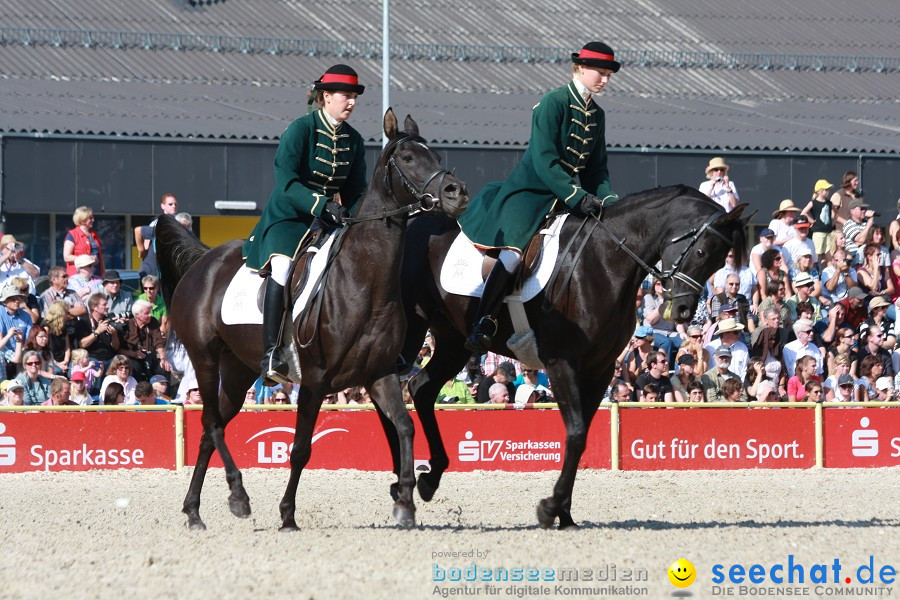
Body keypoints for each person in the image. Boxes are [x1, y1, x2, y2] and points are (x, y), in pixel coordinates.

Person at [458, 42, 621, 354]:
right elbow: (545, 160)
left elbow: (596, 170)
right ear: (581, 68)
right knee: (514, 254)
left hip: (565, 196)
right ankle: (485, 321)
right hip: (529, 191)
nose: (605, 79)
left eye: (608, 75)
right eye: (601, 73)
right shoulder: (554, 102)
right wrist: (577, 196)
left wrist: (611, 203)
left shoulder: (596, 115)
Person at [242, 64, 367, 384]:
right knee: (283, 267)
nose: (351, 102)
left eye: (354, 97)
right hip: (288, 217)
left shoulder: (353, 140)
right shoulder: (301, 129)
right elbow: (286, 182)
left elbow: (354, 191)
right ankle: (272, 352)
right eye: (345, 96)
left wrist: (356, 217)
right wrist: (324, 205)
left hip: (325, 220)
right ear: (326, 97)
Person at [119, 299, 170, 381]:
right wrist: (134, 354)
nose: (150, 315)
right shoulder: (127, 325)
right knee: (134, 368)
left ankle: (164, 393)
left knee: (163, 368)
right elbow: (119, 349)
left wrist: (163, 358)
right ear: (137, 315)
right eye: (147, 313)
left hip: (150, 357)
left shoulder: (153, 321)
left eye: (150, 312)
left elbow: (158, 341)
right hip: (133, 358)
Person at [135, 193, 179, 278]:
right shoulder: (158, 222)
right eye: (170, 204)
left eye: (175, 204)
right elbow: (143, 238)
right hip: (152, 271)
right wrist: (141, 251)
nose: (173, 206)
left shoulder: (178, 222)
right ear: (163, 206)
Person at [642, 278, 684, 364]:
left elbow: (677, 320)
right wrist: (663, 303)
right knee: (666, 342)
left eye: (664, 284)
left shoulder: (674, 299)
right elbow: (651, 320)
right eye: (658, 284)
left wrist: (682, 332)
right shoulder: (648, 298)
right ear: (654, 286)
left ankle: (680, 369)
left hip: (670, 332)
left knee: (685, 342)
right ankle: (664, 369)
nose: (661, 286)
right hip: (652, 331)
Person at [74, 293, 121, 369]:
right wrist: (97, 331)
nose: (108, 307)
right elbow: (82, 344)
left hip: (110, 357)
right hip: (93, 357)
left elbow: (116, 347)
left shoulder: (109, 320)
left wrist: (114, 335)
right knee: (97, 366)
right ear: (94, 307)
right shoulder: (84, 322)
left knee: (123, 363)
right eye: (104, 305)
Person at [800, 179, 836, 262]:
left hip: (828, 232)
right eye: (826, 190)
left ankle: (828, 270)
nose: (828, 192)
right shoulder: (813, 202)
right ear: (820, 191)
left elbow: (835, 214)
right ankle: (816, 269)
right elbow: (803, 213)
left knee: (828, 253)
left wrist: (832, 223)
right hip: (818, 232)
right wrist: (812, 221)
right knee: (817, 253)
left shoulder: (829, 203)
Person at [62, 206, 104, 276]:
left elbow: (100, 256)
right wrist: (87, 258)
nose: (93, 220)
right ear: (82, 219)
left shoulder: (94, 235)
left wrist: (103, 272)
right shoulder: (72, 234)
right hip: (78, 277)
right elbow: (67, 257)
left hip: (96, 276)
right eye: (90, 218)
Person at [0, 283, 30, 378]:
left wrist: (21, 348)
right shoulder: (0, 313)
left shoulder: (26, 316)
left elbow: (30, 338)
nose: (17, 301)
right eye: (13, 299)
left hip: (22, 350)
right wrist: (9, 335)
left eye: (18, 298)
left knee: (32, 358)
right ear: (5, 302)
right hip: (4, 351)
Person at [843, 198, 876, 263]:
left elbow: (874, 239)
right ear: (852, 211)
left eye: (865, 209)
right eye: (861, 209)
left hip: (869, 254)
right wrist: (869, 223)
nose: (864, 211)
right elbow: (860, 240)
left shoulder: (867, 223)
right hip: (855, 256)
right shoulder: (848, 224)